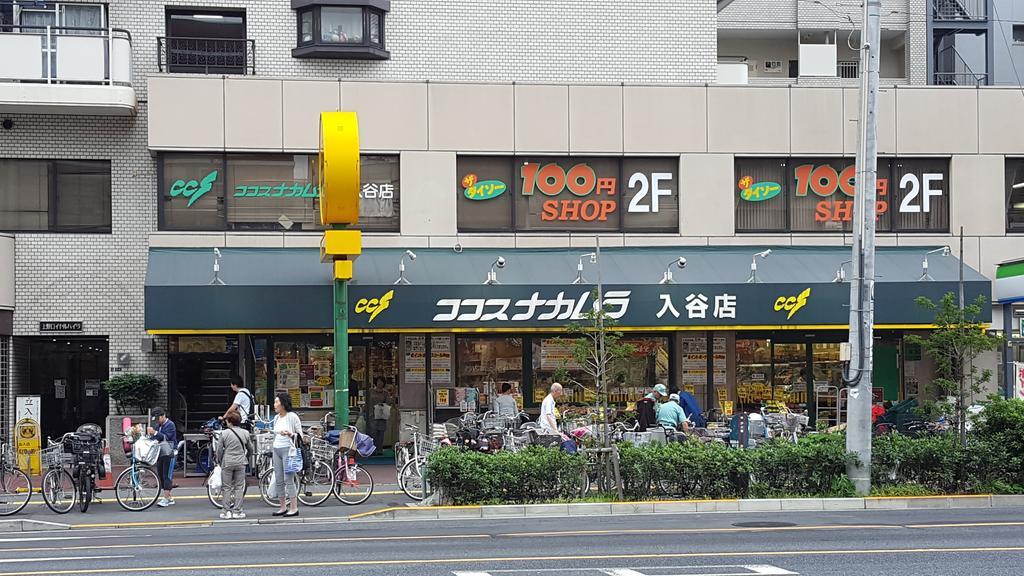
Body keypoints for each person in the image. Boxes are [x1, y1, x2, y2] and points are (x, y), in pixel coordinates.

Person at [271, 392, 302, 518]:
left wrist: (290, 434)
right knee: (278, 479)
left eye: (277, 402)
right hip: (276, 448)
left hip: (288, 449)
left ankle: (294, 507)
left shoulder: (292, 416)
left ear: (283, 404)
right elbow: (274, 433)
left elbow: (300, 435)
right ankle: (282, 507)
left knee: (288, 479)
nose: (275, 405)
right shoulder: (277, 417)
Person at [217, 410, 251, 519]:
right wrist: (247, 457)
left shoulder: (224, 433)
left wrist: (219, 460)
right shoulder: (245, 433)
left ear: (230, 422)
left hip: (227, 462)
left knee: (226, 487)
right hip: (241, 462)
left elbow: (219, 450)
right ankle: (237, 511)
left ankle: (226, 511)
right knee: (239, 487)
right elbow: (251, 448)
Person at [147, 407, 177, 508]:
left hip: (170, 452)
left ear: (163, 416)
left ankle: (166, 498)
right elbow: (154, 438)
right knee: (160, 474)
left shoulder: (170, 425)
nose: (157, 421)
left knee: (167, 475)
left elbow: (166, 437)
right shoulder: (157, 425)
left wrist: (155, 433)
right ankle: (169, 497)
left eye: (158, 418)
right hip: (160, 453)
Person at [365, 377, 389, 455]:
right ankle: (372, 450)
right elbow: (367, 402)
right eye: (378, 381)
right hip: (372, 414)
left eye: (381, 382)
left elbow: (388, 402)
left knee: (381, 433)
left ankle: (379, 449)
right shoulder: (370, 391)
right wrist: (365, 412)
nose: (380, 383)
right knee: (372, 432)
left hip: (381, 414)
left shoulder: (385, 393)